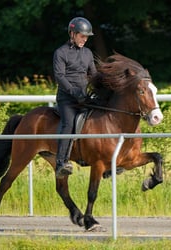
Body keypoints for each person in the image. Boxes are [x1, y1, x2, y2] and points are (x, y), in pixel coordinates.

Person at [53, 17, 97, 178]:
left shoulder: (87, 53)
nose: (84, 39)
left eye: (86, 37)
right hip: (67, 99)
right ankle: (61, 162)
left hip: (84, 97)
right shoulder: (60, 52)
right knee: (69, 123)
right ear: (72, 33)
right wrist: (73, 91)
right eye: (82, 36)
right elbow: (59, 76)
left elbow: (93, 74)